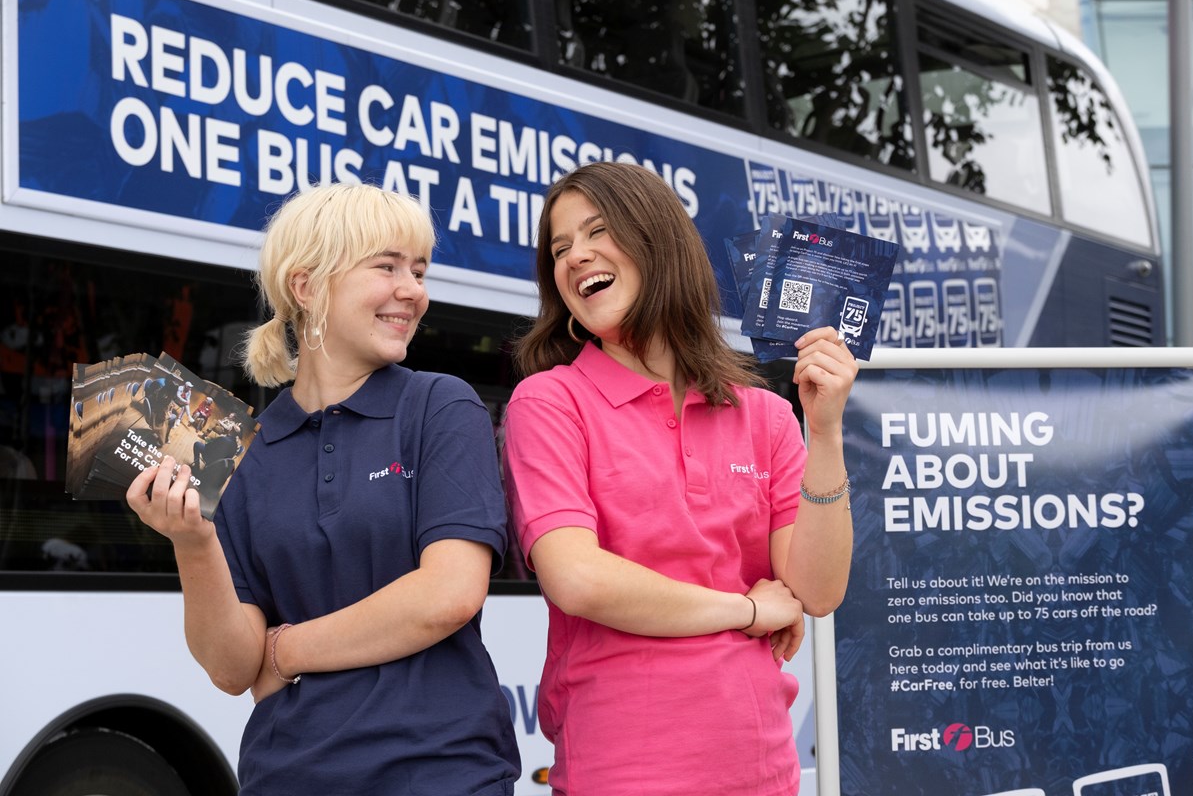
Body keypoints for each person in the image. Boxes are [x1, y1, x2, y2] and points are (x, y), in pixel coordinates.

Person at [125, 183, 521, 795]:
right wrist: (193, 540)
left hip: (441, 769)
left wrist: (284, 651)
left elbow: (448, 595)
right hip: (287, 774)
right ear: (307, 288)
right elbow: (232, 668)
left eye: (419, 270)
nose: (413, 291)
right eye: (386, 266)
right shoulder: (240, 452)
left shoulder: (439, 405)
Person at [501, 161, 856, 795]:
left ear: (657, 241)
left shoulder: (768, 415)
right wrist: (747, 609)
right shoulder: (548, 402)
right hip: (621, 766)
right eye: (560, 249)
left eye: (596, 232)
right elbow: (578, 579)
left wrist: (823, 432)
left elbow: (818, 591)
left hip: (762, 765)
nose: (576, 257)